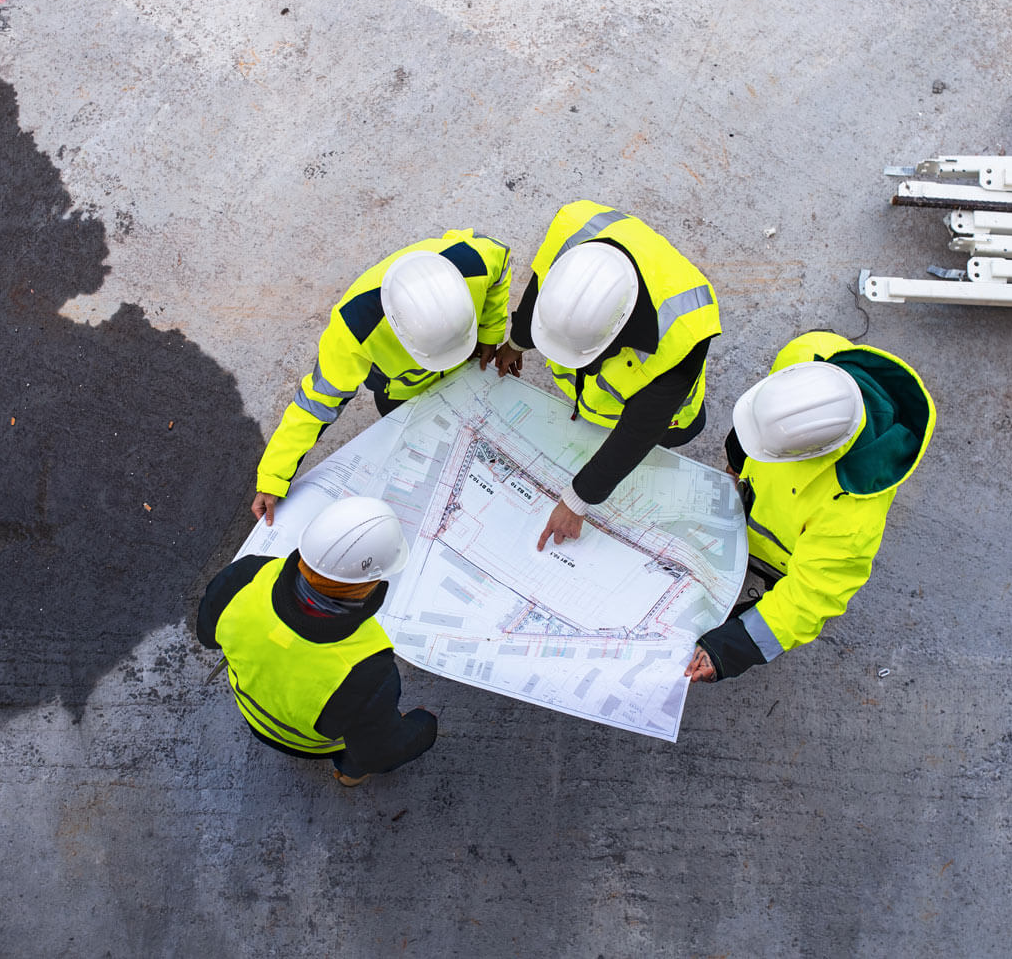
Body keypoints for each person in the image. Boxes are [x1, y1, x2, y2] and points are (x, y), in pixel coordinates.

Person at [684, 331, 936, 684]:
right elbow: (758, 419)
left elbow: (810, 597)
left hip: (780, 560)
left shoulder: (850, 521)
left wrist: (730, 648)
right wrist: (737, 461)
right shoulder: (806, 355)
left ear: (813, 454)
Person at [491, 201, 721, 550]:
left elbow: (641, 428)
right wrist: (517, 342)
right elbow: (540, 294)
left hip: (667, 414)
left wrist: (577, 500)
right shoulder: (572, 232)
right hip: (598, 389)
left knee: (679, 430)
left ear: (621, 331)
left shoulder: (685, 326)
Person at [252, 230, 513, 524]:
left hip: (464, 367)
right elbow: (315, 405)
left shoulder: (473, 262)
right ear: (398, 330)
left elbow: (500, 267)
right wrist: (273, 477)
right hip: (399, 395)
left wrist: (490, 334)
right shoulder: (353, 329)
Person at [197, 496, 437, 786]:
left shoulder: (244, 578)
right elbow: (378, 753)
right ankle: (347, 774)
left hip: (251, 714)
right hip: (312, 745)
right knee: (357, 751)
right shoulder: (367, 670)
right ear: (372, 582)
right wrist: (423, 727)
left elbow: (206, 635)